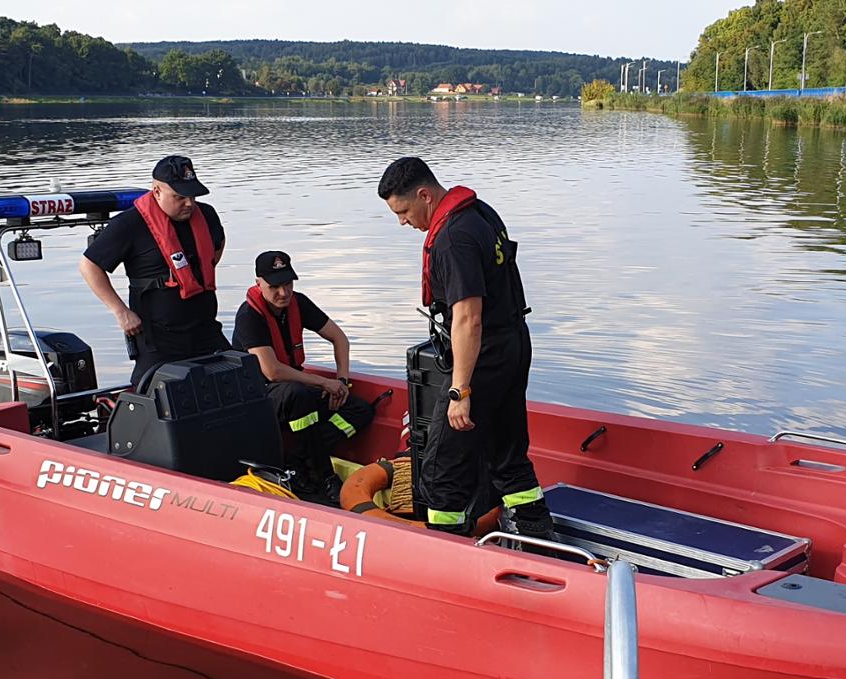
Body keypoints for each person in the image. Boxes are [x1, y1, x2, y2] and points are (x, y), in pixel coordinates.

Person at [376, 157, 552, 539]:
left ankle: (447, 549)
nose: (403, 222)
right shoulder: (481, 213)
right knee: (507, 453)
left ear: (424, 195)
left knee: (442, 465)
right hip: (514, 342)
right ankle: (539, 538)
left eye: (403, 211)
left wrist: (460, 391)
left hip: (483, 353)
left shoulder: (452, 238)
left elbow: (468, 319)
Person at [232, 250, 374, 503]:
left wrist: (341, 382)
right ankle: (323, 477)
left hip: (295, 387)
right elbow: (272, 371)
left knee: (360, 409)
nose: (283, 293)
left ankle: (300, 458)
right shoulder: (249, 316)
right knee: (297, 395)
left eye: (288, 284)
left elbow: (339, 338)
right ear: (258, 284)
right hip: (261, 396)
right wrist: (323, 382)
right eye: (274, 286)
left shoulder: (299, 303)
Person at [79, 155, 232, 386]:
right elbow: (89, 266)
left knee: (239, 378)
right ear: (157, 191)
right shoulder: (129, 224)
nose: (189, 203)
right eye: (179, 197)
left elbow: (218, 245)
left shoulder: (207, 214)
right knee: (154, 396)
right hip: (158, 338)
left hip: (205, 329)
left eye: (192, 195)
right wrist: (120, 311)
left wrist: (196, 273)